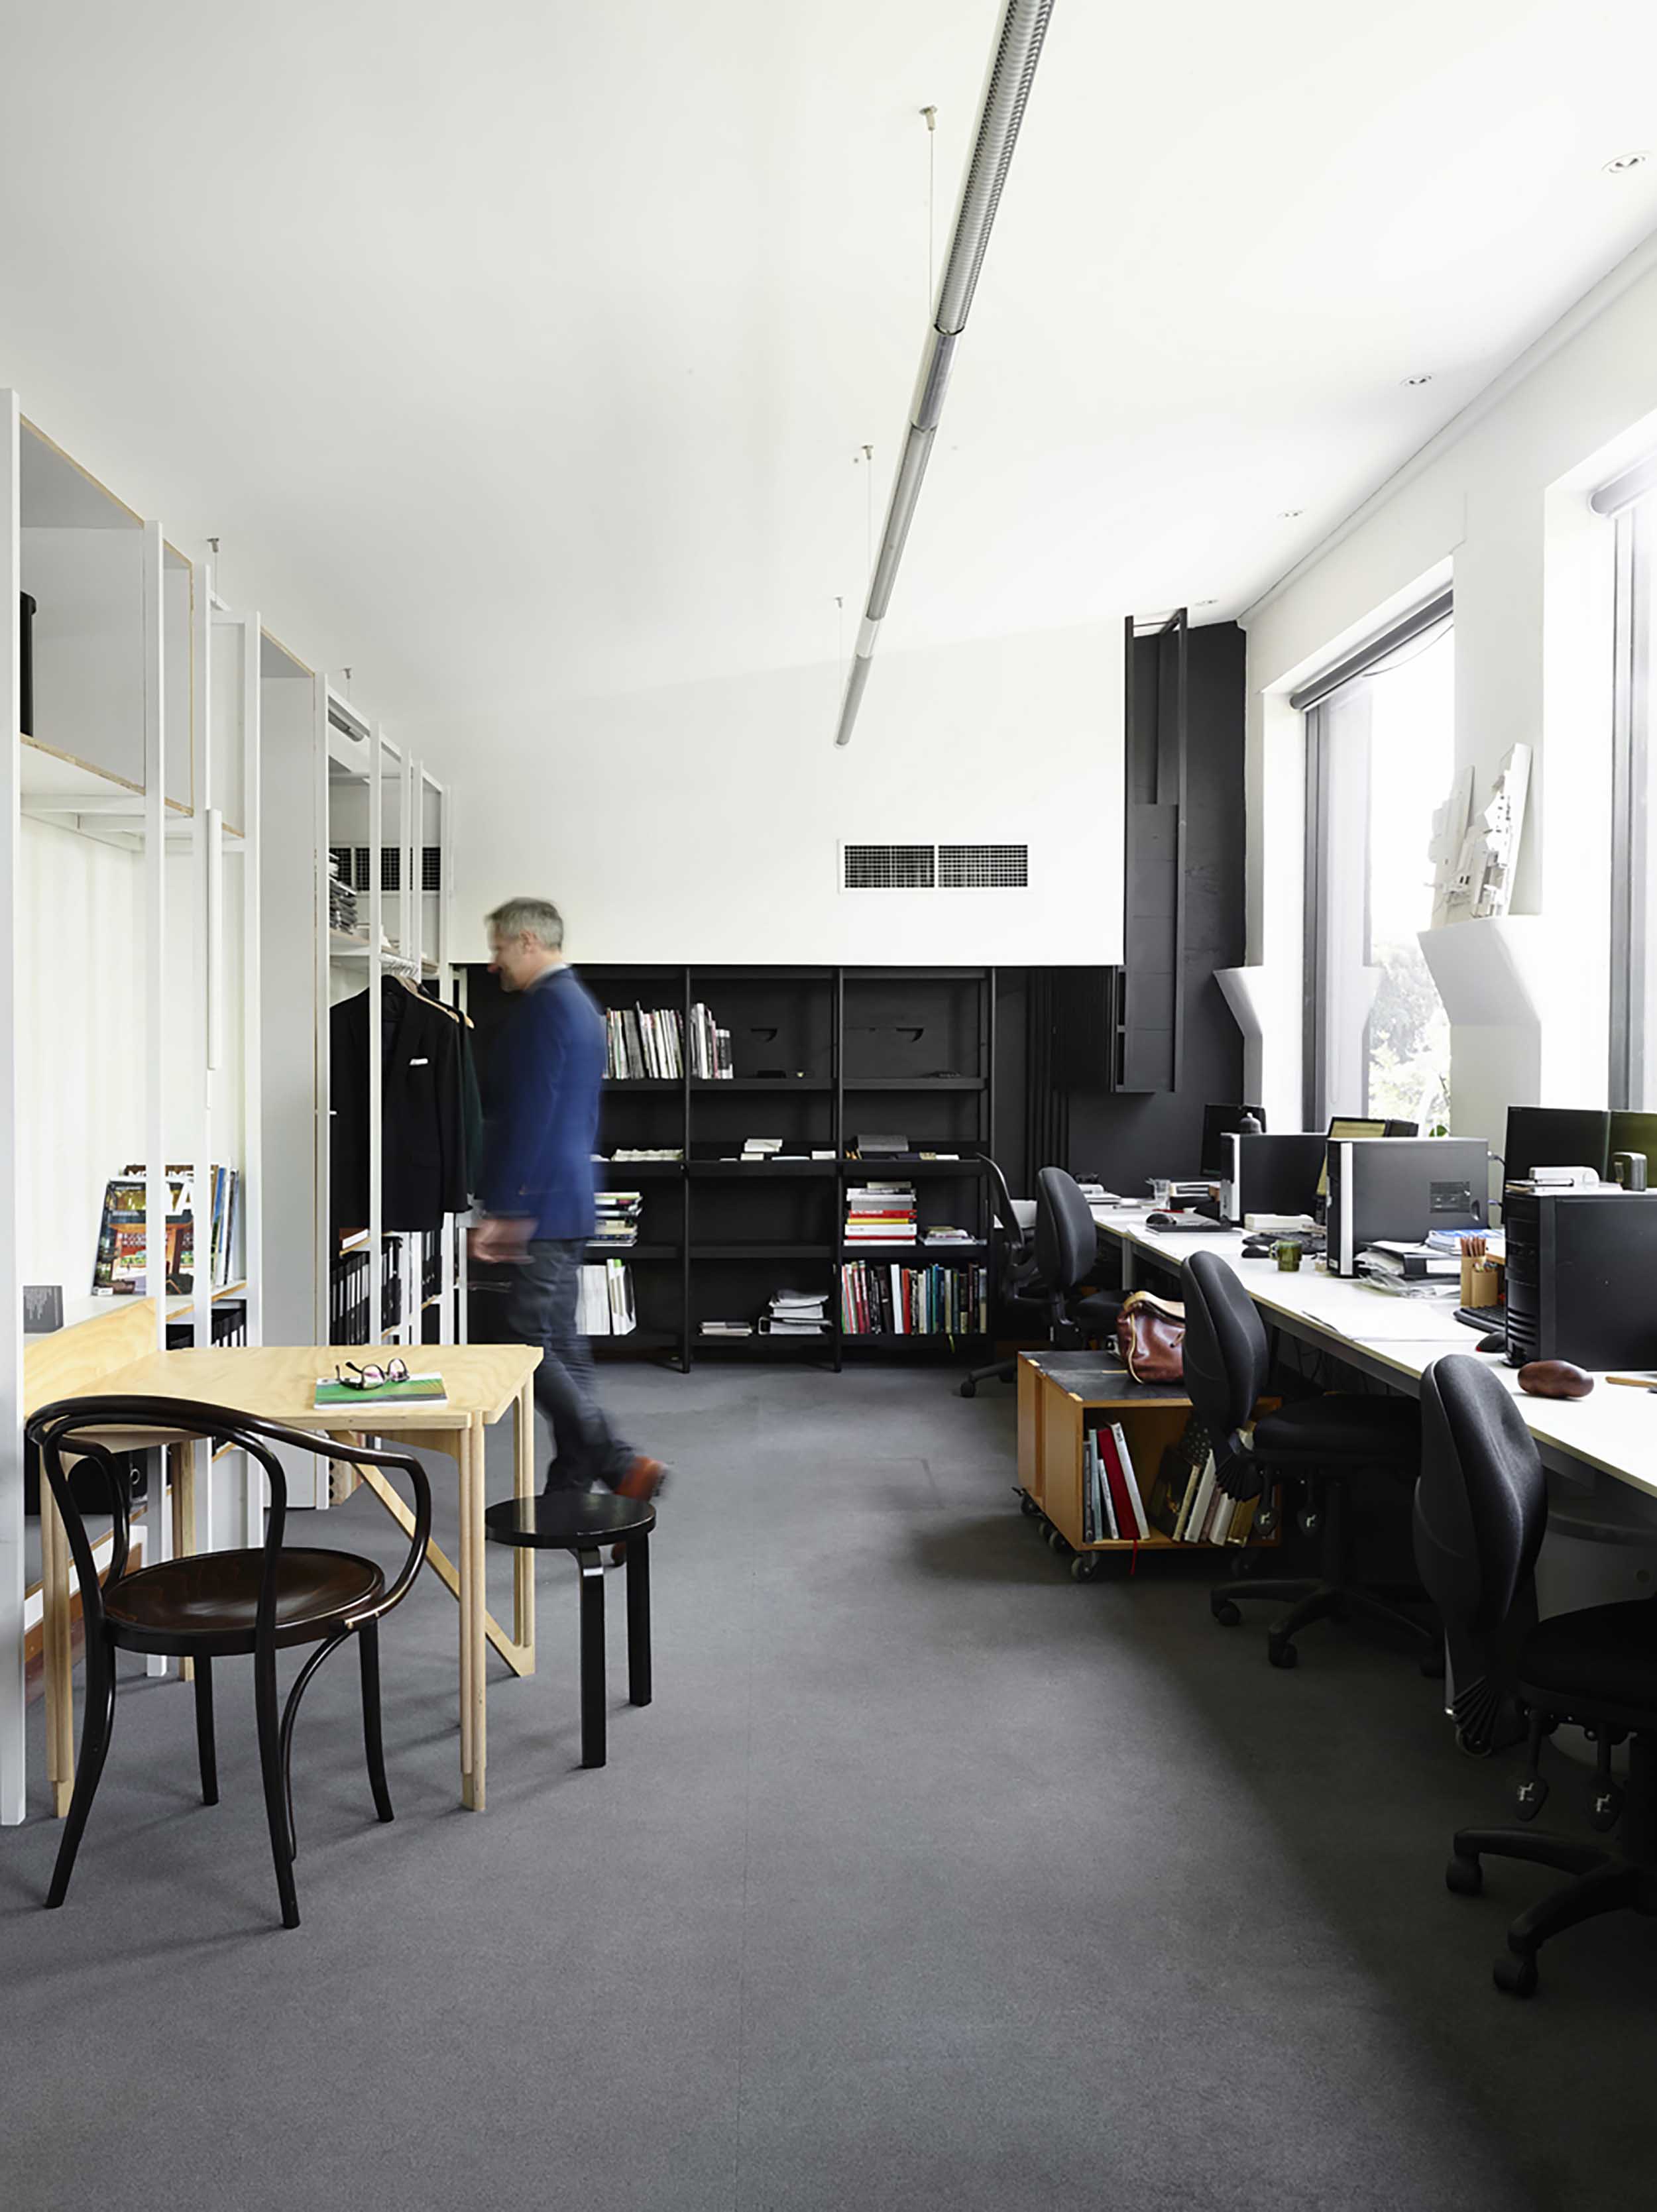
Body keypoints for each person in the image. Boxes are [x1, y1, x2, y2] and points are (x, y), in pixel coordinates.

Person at [470, 897, 665, 1504]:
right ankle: (571, 1490)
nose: (494, 964)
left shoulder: (546, 1009)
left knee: (525, 1345)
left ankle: (618, 1461)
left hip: (542, 1202)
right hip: (566, 1197)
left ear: (528, 940)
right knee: (562, 1345)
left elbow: (534, 1115)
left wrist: (509, 1208)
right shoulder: (578, 1004)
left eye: (500, 949)